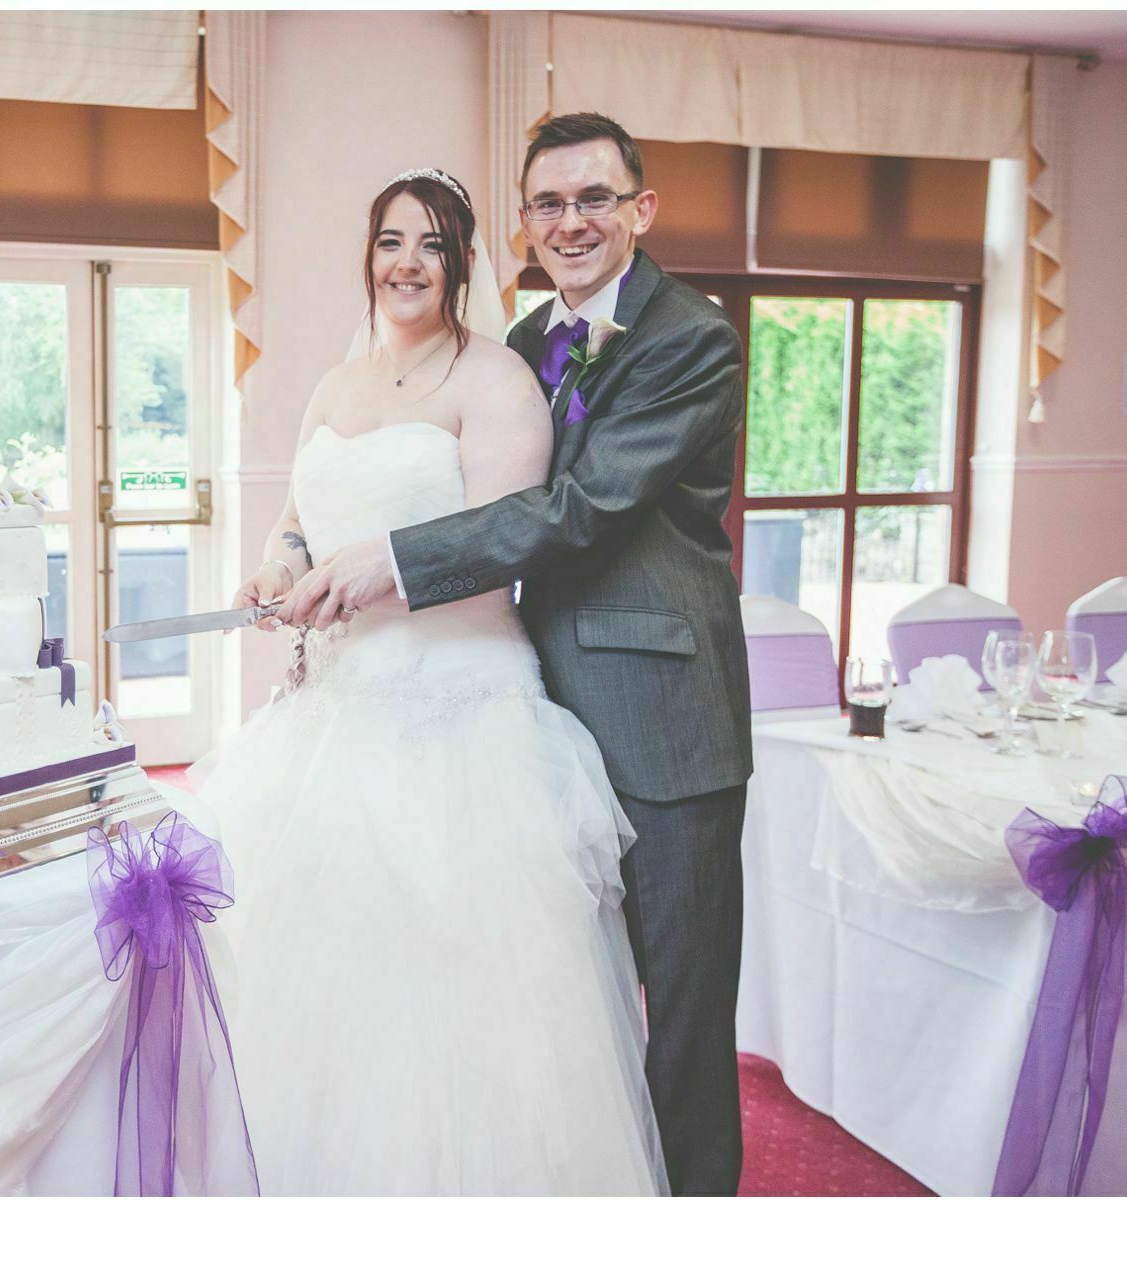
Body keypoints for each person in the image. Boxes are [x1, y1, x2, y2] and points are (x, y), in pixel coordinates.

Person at [278, 116, 753, 1196]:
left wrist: (389, 561)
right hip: (534, 699)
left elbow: (578, 509)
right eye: (548, 203)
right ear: (525, 223)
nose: (571, 222)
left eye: (594, 199)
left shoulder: (692, 337)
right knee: (555, 999)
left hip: (662, 711)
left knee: (679, 1012)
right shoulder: (528, 338)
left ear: (642, 207)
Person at [190, 167, 666, 1195]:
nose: (408, 263)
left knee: (455, 1000)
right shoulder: (335, 383)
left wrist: (362, 579)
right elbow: (298, 522)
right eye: (392, 240)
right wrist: (279, 570)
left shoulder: (494, 380)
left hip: (460, 712)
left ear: (462, 263)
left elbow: (501, 543)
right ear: (369, 255)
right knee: (322, 981)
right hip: (334, 712)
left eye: (433, 245)